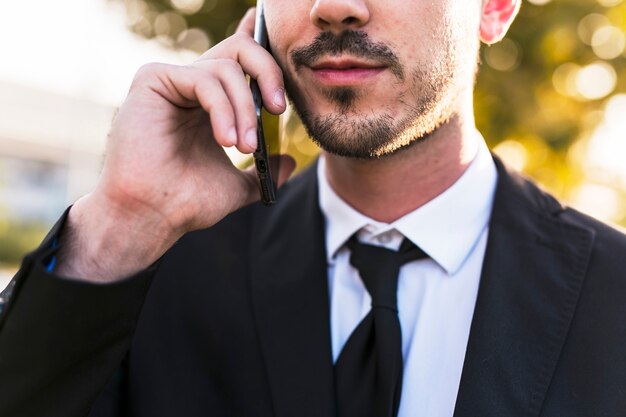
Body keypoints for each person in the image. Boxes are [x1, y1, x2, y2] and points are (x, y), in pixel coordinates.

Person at [0, 0, 625, 416]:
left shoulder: (613, 298)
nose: (333, 5)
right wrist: (122, 219)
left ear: (494, 6)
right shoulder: (142, 273)